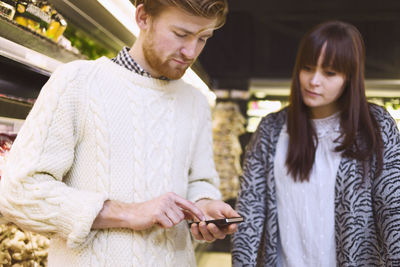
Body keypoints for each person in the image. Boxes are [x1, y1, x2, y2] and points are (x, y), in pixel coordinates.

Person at [0, 0, 240, 266]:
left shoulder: (195, 102)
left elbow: (201, 181)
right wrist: (128, 213)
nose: (190, 51)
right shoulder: (77, 82)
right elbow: (18, 192)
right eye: (180, 34)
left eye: (203, 38)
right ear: (143, 17)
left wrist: (204, 205)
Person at [232, 20, 400, 266]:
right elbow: (250, 209)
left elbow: (393, 208)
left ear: (349, 77)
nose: (314, 81)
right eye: (308, 68)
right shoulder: (271, 128)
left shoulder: (375, 125)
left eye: (329, 73)